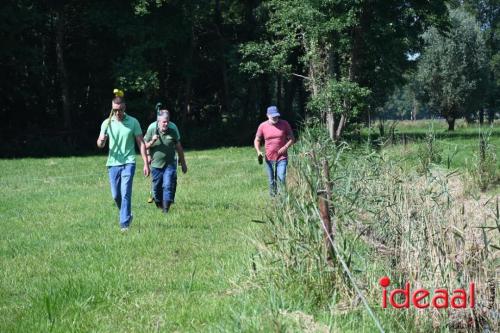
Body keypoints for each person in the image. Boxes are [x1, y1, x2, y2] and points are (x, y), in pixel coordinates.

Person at [97, 93, 150, 231]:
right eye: (115, 110)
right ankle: (126, 214)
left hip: (129, 162)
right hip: (112, 163)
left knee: (125, 191)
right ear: (112, 109)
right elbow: (100, 144)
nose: (117, 112)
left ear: (124, 107)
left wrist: (145, 162)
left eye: (120, 109)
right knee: (116, 195)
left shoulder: (133, 122)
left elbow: (141, 143)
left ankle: (124, 224)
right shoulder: (106, 123)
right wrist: (101, 141)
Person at [144, 109, 187, 213]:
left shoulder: (173, 128)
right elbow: (144, 146)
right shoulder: (151, 128)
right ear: (158, 122)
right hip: (156, 164)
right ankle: (159, 204)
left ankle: (166, 210)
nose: (166, 123)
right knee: (157, 188)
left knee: (168, 185)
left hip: (170, 163)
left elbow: (179, 147)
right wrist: (152, 142)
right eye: (164, 121)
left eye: (167, 121)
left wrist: (183, 163)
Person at [254, 106, 295, 196]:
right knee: (272, 180)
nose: (275, 118)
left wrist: (285, 147)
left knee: (281, 177)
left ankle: (283, 200)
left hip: (282, 157)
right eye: (273, 116)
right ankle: (273, 199)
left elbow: (292, 138)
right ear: (267, 115)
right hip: (269, 158)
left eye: (276, 116)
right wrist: (258, 151)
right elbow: (257, 140)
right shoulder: (263, 126)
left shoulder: (284, 124)